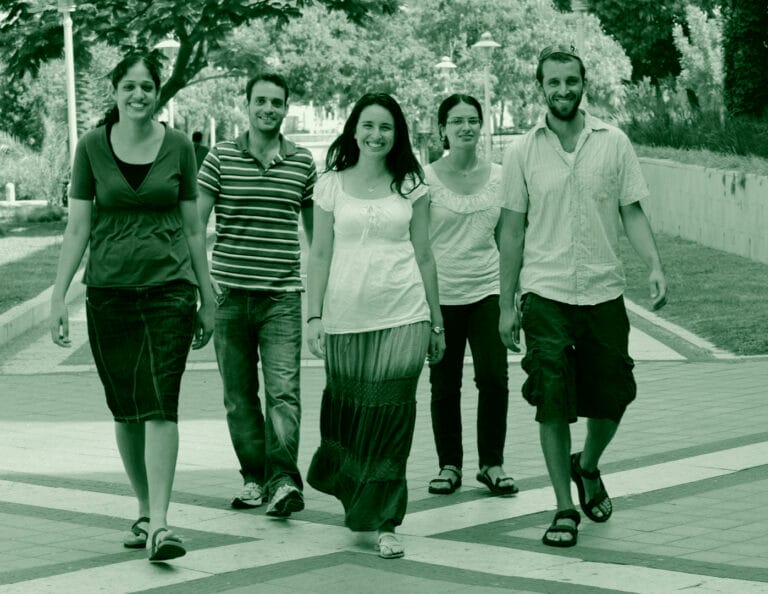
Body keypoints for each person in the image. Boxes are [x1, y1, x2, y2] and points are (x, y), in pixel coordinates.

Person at [498, 44, 667, 548]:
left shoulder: (613, 141)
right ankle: (563, 507)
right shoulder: (521, 151)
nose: (563, 90)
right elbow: (511, 231)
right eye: (554, 82)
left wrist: (654, 265)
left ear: (583, 83)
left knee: (613, 396)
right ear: (540, 87)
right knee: (552, 398)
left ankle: (586, 464)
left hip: (603, 290)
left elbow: (632, 211)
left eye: (571, 81)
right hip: (544, 293)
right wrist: (507, 304)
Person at [49, 53, 215, 562]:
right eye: (130, 86)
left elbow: (192, 228)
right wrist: (59, 297)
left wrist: (207, 295)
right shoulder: (92, 148)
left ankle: (162, 525)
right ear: (115, 90)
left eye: (148, 87)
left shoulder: (181, 147)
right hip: (109, 294)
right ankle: (143, 509)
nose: (139, 95)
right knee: (127, 410)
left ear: (157, 92)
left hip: (170, 289)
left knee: (162, 403)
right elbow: (78, 228)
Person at [305, 93, 446, 559]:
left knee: (392, 414)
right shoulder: (329, 185)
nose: (376, 135)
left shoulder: (411, 184)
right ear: (353, 129)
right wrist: (314, 316)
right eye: (368, 125)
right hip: (345, 317)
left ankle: (385, 519)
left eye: (386, 127)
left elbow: (424, 253)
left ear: (397, 133)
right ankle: (357, 495)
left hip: (405, 312)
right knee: (354, 414)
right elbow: (319, 254)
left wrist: (436, 320)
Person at [197, 73, 316, 518]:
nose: (268, 108)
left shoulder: (302, 162)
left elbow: (315, 238)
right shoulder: (220, 157)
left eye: (277, 102)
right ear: (246, 105)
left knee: (284, 392)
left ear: (286, 108)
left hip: (282, 298)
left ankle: (284, 481)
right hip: (229, 296)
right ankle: (254, 478)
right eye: (260, 101)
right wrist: (202, 288)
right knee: (239, 395)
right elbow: (196, 224)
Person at [425, 94, 518, 497]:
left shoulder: (500, 177)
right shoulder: (424, 179)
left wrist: (510, 301)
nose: (466, 127)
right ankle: (449, 465)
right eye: (456, 120)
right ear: (442, 128)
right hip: (441, 296)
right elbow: (419, 247)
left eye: (472, 120)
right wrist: (427, 310)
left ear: (481, 125)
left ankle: (491, 464)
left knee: (494, 378)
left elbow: (508, 241)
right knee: (444, 385)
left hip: (487, 292)